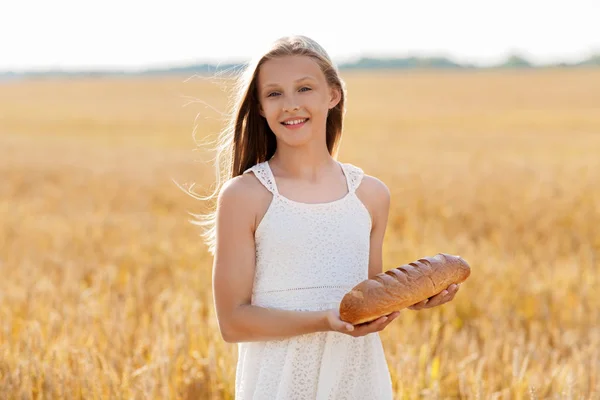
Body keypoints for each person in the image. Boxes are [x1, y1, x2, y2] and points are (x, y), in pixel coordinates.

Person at [196, 35, 460, 399]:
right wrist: (323, 321)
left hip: (357, 379)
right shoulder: (246, 196)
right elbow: (233, 322)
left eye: (304, 88)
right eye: (274, 94)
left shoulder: (370, 195)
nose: (290, 105)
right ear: (259, 106)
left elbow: (365, 304)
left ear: (332, 95)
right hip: (279, 383)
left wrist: (412, 298)